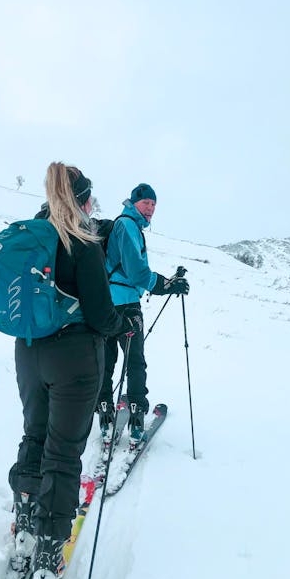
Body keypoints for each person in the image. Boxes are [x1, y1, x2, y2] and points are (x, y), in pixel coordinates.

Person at [8, 163, 139, 579]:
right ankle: (49, 552)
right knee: (63, 455)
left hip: (28, 352)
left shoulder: (31, 237)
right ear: (83, 199)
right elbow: (101, 314)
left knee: (35, 434)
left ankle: (24, 519)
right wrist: (121, 325)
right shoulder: (83, 242)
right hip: (75, 359)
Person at [97, 183, 190, 449]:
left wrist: (163, 282)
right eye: (146, 203)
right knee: (134, 361)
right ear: (134, 203)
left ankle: (105, 415)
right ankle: (136, 419)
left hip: (107, 305)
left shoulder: (126, 226)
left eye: (153, 205)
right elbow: (137, 272)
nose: (150, 209)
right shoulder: (127, 226)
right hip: (125, 307)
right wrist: (166, 285)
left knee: (107, 361)